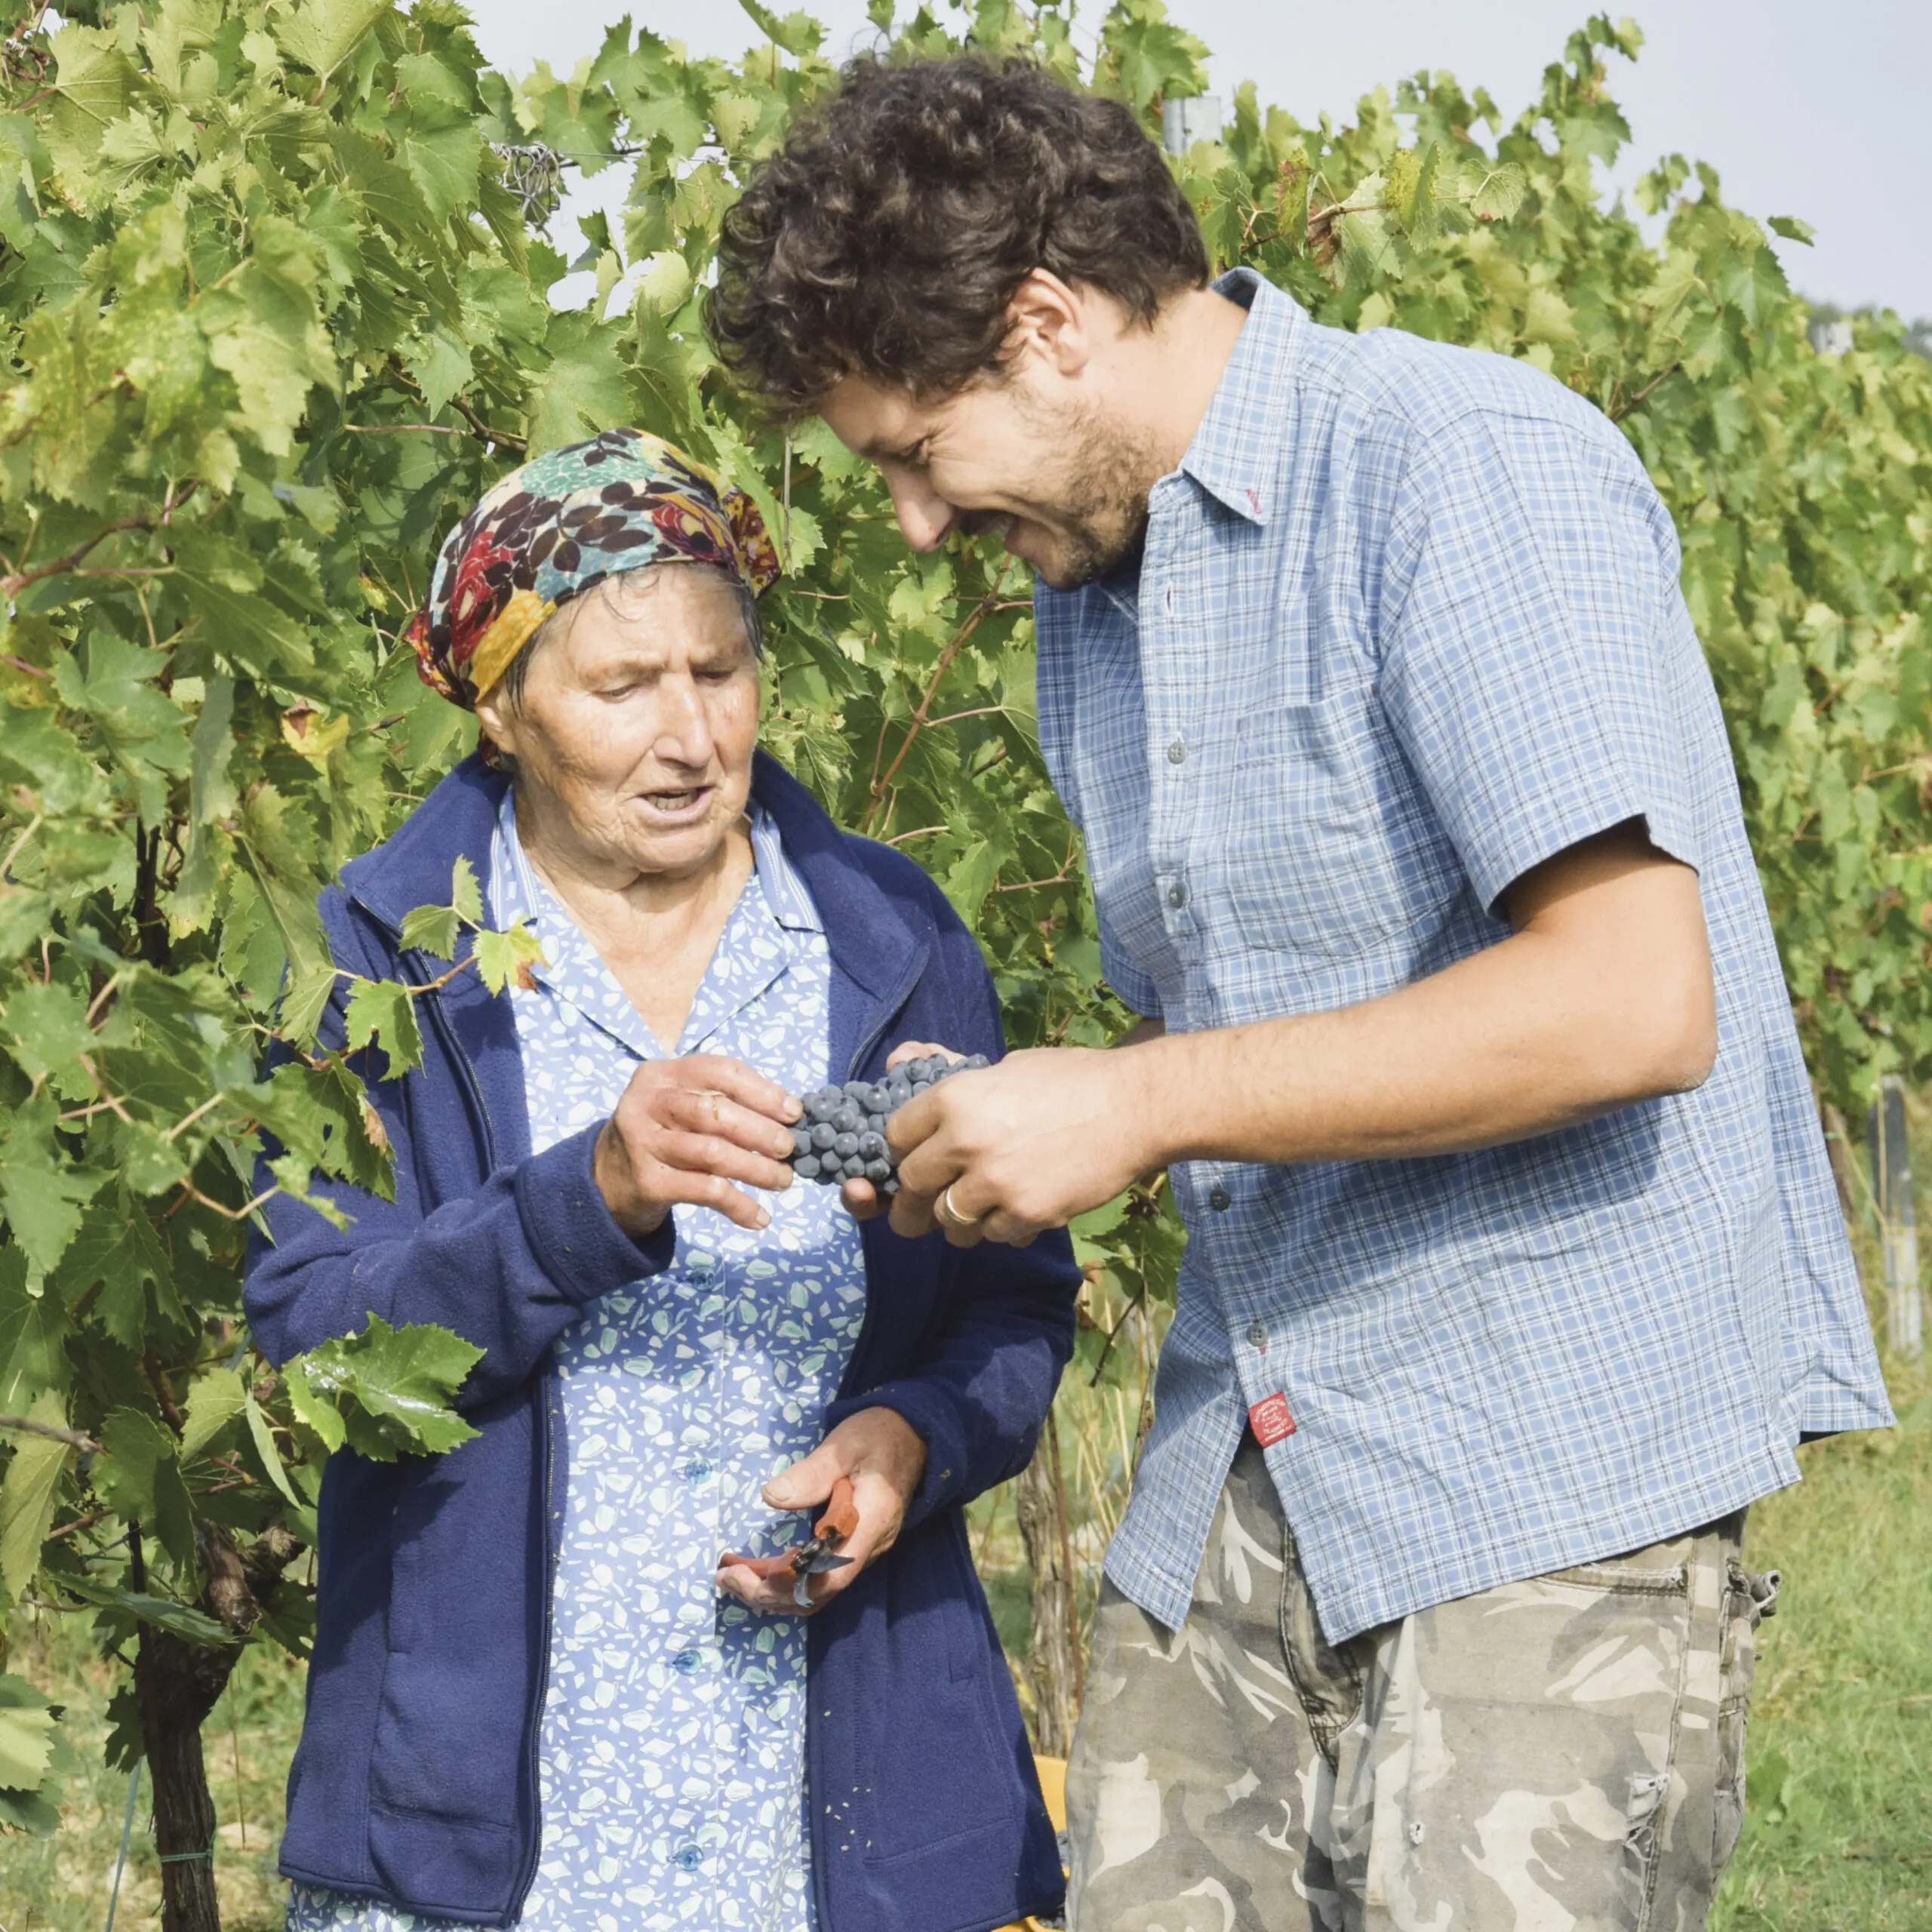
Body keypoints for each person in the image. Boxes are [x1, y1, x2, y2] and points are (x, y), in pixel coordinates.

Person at [706, 57, 1894, 1932]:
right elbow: (1245, 1043)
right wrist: (1028, 1104)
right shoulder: (1091, 600)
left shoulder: (1454, 466)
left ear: (1048, 324)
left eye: (912, 456)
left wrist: (1140, 1103)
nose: (915, 528)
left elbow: (1632, 1002)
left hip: (1537, 1477)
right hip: (1248, 1460)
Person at [244, 429, 1078, 1932]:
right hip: (485, 1839)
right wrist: (589, 1197)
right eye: (622, 688)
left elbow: (1014, 1304)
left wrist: (910, 1434)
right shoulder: (372, 962)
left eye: (718, 670)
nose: (688, 734)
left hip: (838, 1830)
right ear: (501, 707)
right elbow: (316, 1336)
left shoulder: (888, 936)